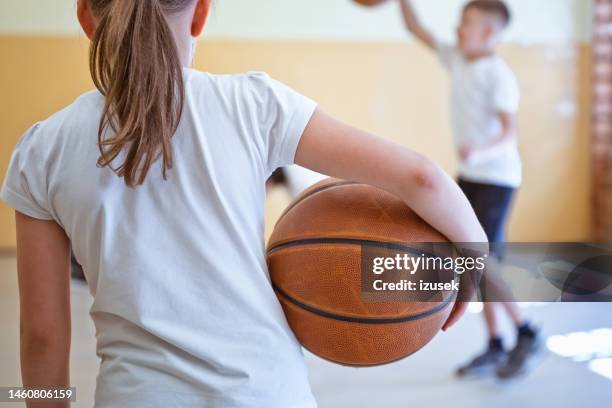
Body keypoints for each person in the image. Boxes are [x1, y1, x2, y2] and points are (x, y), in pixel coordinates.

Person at [0, 0, 487, 406]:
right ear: (200, 15)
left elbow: (42, 336)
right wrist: (474, 255)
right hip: (267, 392)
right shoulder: (255, 105)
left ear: (85, 17)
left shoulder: (42, 149)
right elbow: (421, 177)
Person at [398, 0, 541, 379]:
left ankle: (527, 331)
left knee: (481, 259)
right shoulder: (459, 58)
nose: (458, 29)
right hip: (470, 174)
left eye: (467, 23)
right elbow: (416, 29)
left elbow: (510, 131)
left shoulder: (499, 75)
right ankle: (495, 343)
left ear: (490, 33)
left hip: (497, 176)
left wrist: (482, 148)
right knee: (471, 259)